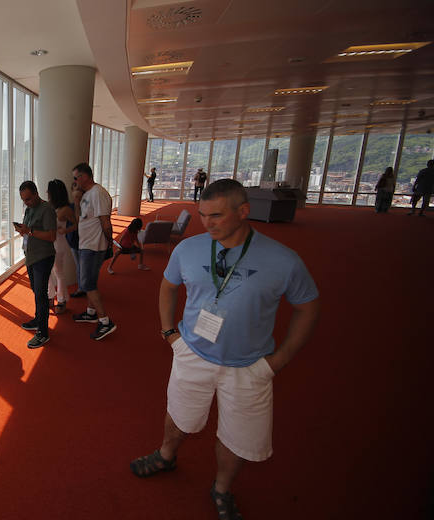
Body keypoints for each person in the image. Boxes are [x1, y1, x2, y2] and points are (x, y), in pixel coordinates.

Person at [129, 179, 320, 520]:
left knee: (238, 437)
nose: (207, 223)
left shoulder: (283, 260)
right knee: (178, 414)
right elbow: (167, 287)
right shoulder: (188, 250)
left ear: (243, 212)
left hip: (250, 366)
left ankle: (221, 488)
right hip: (192, 352)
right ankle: (166, 455)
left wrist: (280, 360)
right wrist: (170, 333)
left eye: (216, 215)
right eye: (203, 215)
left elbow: (308, 306)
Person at [71, 163, 117, 340]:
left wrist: (109, 242)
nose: (74, 182)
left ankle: (105, 321)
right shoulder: (86, 195)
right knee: (90, 281)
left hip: (93, 246)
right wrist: (76, 200)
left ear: (85, 176)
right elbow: (79, 219)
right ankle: (91, 313)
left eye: (76, 177)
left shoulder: (98, 193)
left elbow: (106, 222)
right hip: (86, 244)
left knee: (87, 284)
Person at [15, 181, 57, 348]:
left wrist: (29, 231)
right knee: (36, 290)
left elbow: (52, 236)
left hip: (43, 257)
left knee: (40, 294)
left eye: (29, 199)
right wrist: (23, 231)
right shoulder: (29, 209)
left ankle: (43, 332)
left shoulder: (47, 210)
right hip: (31, 256)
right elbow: (29, 231)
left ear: (36, 193)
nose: (26, 202)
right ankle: (39, 319)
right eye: (24, 200)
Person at [46, 179, 77, 315]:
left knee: (58, 272)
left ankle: (62, 299)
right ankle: (50, 296)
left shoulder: (65, 209)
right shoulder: (48, 206)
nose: (47, 193)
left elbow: (77, 224)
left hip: (59, 244)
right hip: (47, 243)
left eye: (49, 191)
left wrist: (65, 230)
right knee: (48, 271)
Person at [68, 181, 86, 299]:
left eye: (79, 190)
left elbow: (79, 223)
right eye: (75, 190)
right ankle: (82, 288)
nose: (77, 192)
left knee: (83, 266)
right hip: (74, 241)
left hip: (85, 241)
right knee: (79, 266)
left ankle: (83, 288)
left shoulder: (87, 207)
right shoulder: (69, 207)